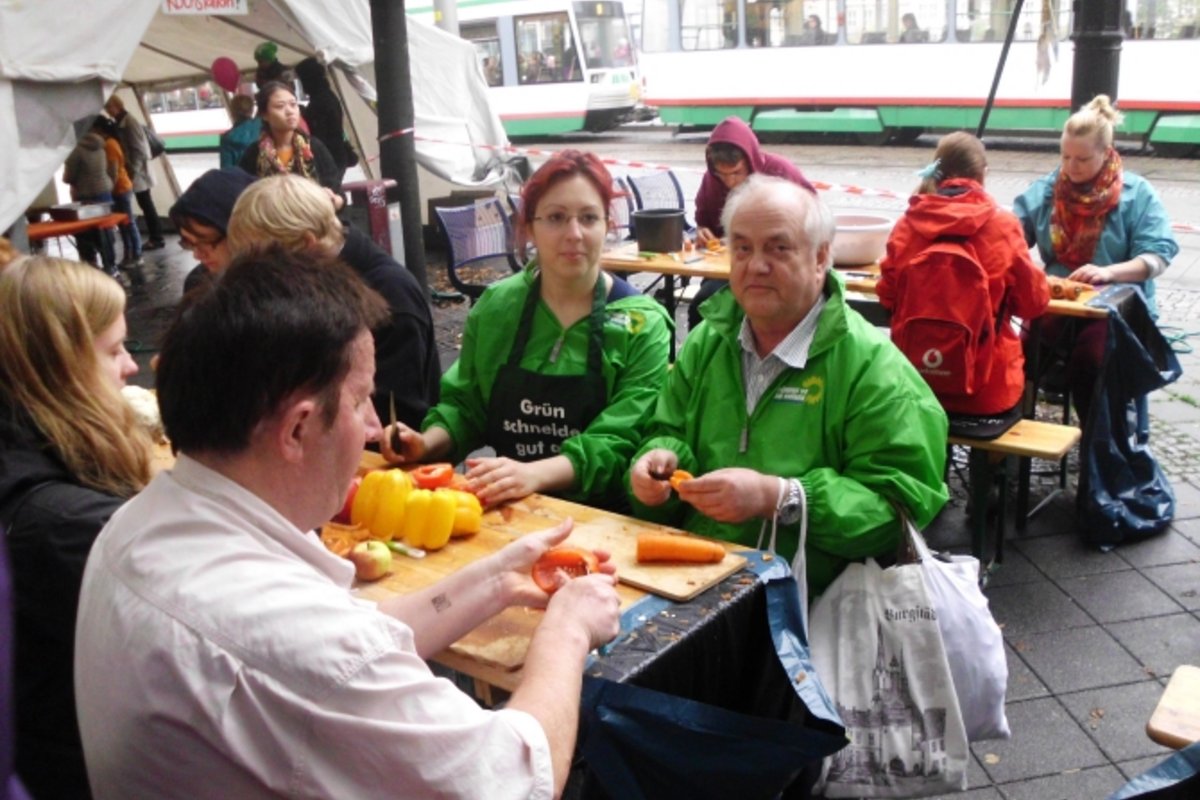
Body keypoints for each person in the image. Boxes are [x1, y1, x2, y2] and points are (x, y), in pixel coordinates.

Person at [73, 246, 621, 799]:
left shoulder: (137, 526)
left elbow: (357, 642)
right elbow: (515, 780)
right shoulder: (297, 646)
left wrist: (496, 580)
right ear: (297, 430)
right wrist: (567, 631)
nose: (368, 429)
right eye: (361, 400)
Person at [628, 176, 948, 597]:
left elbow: (898, 510)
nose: (756, 265)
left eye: (778, 248)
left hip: (816, 607)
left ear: (820, 259)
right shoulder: (709, 341)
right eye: (742, 248)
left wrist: (781, 497)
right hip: (696, 585)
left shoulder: (874, 368)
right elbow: (667, 429)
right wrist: (659, 464)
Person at [381, 150, 672, 510]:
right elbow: (467, 404)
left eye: (589, 217)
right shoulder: (498, 307)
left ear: (607, 226)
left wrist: (533, 474)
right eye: (556, 218)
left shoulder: (644, 325)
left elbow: (617, 440)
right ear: (529, 226)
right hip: (508, 509)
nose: (574, 234)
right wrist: (426, 443)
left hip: (602, 520)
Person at [0, 255, 152, 800]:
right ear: (60, 364)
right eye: (114, 351)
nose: (131, 367)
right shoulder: (68, 524)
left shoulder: (30, 456)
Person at [227, 174, 441, 431]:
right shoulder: (305, 279)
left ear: (307, 244)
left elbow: (397, 423)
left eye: (264, 262)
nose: (257, 276)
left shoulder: (391, 297)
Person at [1014, 94, 1179, 425]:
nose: (1071, 167)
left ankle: (1100, 447)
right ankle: (1010, 445)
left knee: (1091, 363)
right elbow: (1013, 233)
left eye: (1083, 159)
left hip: (1117, 308)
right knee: (1015, 356)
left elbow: (1158, 256)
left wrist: (1109, 272)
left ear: (1107, 153)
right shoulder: (1049, 190)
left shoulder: (1137, 193)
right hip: (1061, 303)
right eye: (1065, 157)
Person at [877, 131, 1049, 423]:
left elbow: (887, 296)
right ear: (983, 173)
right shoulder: (1003, 226)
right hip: (988, 393)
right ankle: (996, 470)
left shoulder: (908, 224)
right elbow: (1033, 303)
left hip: (914, 387)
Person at [688, 116, 816, 330]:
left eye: (737, 172)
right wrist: (702, 232)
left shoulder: (779, 172)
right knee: (703, 305)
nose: (730, 182)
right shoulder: (711, 180)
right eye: (722, 174)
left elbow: (814, 217)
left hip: (778, 267)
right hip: (726, 270)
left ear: (751, 160)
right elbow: (703, 221)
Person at [238, 81, 344, 209]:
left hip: (313, 222)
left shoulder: (314, 147)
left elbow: (338, 193)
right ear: (264, 115)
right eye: (280, 106)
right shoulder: (254, 153)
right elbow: (244, 197)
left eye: (293, 105)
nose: (290, 111)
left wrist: (333, 200)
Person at [167, 167, 258, 295]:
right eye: (189, 243)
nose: (197, 255)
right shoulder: (198, 284)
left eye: (205, 241)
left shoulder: (281, 293)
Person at [103, 95, 166, 251]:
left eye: (108, 107)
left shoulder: (129, 123)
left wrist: (132, 173)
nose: (107, 111)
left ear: (116, 106)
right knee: (146, 204)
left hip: (139, 173)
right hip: (138, 171)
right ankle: (156, 237)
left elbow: (139, 151)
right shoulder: (124, 121)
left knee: (146, 204)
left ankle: (156, 238)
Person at [61, 118, 117, 274]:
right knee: (105, 231)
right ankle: (111, 266)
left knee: (85, 234)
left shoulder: (76, 150)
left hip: (86, 194)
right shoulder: (101, 146)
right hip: (105, 192)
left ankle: (90, 267)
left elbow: (68, 177)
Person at [295, 57, 354, 187]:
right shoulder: (325, 97)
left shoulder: (321, 101)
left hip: (330, 156)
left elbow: (321, 133)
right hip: (334, 154)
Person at [96, 116, 141, 268]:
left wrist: (108, 188)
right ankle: (131, 254)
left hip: (120, 188)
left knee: (127, 222)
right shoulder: (111, 142)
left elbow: (113, 171)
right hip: (121, 187)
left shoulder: (109, 145)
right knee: (124, 223)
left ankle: (135, 254)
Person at [218, 94, 261, 170]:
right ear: (252, 110)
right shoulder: (262, 127)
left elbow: (226, 170)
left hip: (242, 180)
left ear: (232, 112)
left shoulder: (227, 138)